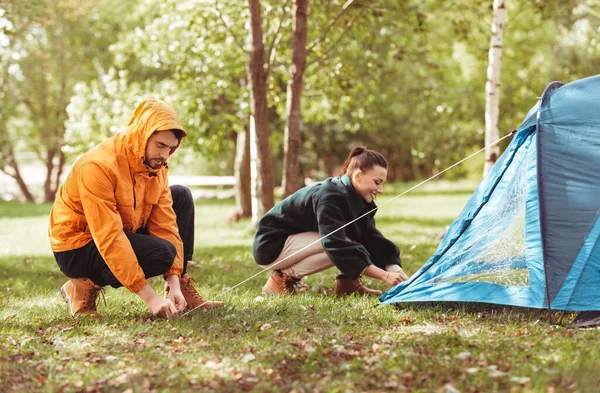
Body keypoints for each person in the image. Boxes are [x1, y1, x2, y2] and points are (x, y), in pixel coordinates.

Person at [48, 99, 223, 318]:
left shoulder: (156, 165)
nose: (165, 155)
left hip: (123, 227)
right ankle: (82, 286)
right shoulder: (97, 166)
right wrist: (150, 297)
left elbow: (166, 223)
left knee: (181, 196)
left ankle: (181, 292)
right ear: (142, 135)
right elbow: (109, 236)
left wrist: (174, 280)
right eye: (160, 145)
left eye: (171, 148)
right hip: (77, 245)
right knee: (162, 254)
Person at [253, 146, 410, 296]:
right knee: (336, 243)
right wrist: (384, 276)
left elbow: (372, 239)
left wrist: (396, 271)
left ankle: (347, 284)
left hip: (297, 241)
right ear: (357, 176)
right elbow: (334, 244)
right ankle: (280, 280)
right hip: (270, 246)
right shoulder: (330, 196)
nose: (381, 189)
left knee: (354, 235)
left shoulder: (361, 201)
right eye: (377, 182)